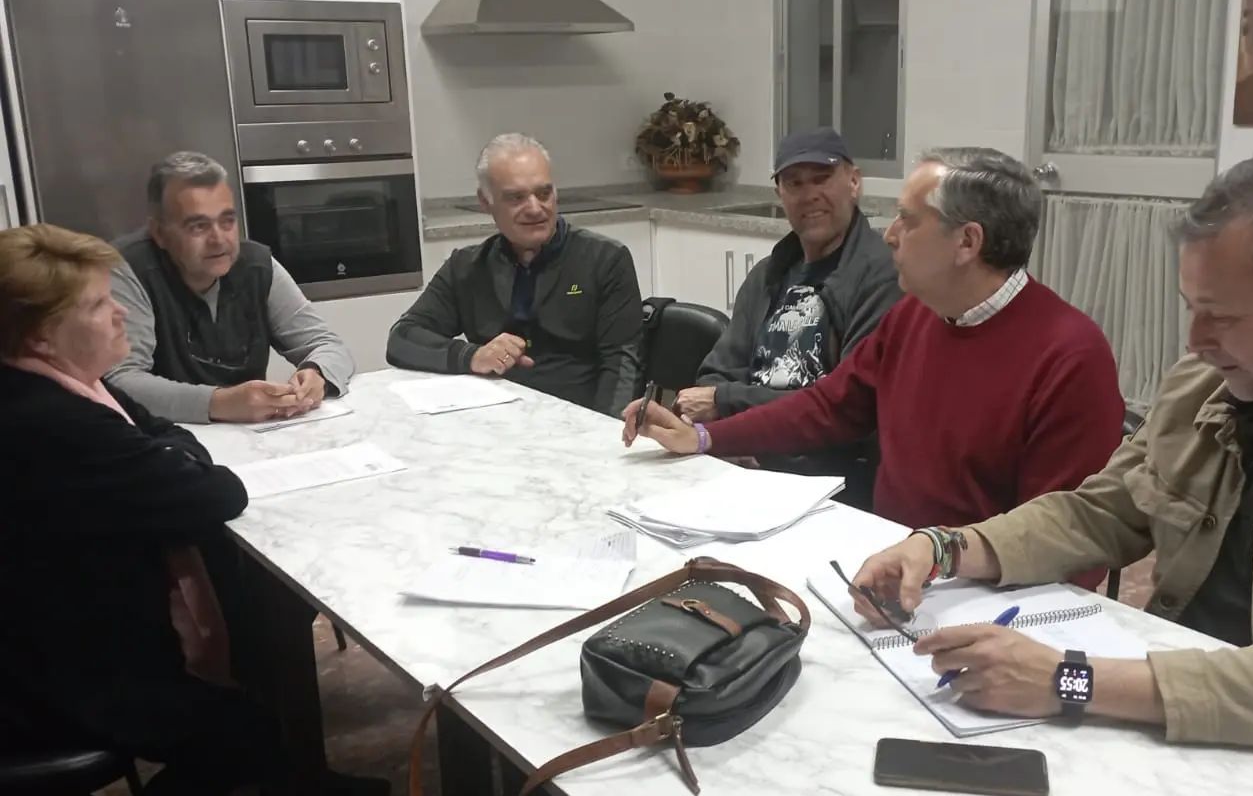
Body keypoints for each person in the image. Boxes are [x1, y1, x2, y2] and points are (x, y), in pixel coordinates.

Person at [850, 155, 1253, 751]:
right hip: (1175, 724)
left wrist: (1067, 679)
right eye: (1192, 308)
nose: (1195, 342)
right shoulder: (1211, 385)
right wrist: (944, 547)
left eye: (1222, 317)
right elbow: (1099, 512)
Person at [0, 223, 389, 796]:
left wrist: (171, 452)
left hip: (59, 632)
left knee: (256, 633)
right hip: (52, 677)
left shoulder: (69, 387)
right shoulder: (51, 421)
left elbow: (165, 436)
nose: (119, 315)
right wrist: (174, 454)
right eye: (98, 306)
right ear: (41, 335)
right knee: (245, 728)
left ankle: (299, 786)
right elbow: (215, 491)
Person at [624, 147, 1124, 587]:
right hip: (887, 557)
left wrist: (946, 569)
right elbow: (830, 406)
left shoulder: (1070, 356)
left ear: (967, 242)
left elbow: (1069, 544)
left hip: (981, 592)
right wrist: (707, 437)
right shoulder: (916, 315)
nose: (890, 236)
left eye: (908, 220)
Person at [676, 127, 901, 503]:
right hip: (744, 462)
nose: (809, 194)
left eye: (821, 178)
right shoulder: (768, 274)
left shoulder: (882, 277)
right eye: (794, 183)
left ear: (854, 182)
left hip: (828, 484)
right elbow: (718, 371)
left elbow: (846, 409)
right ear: (780, 193)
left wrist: (730, 408)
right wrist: (733, 434)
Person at [386, 132, 642, 416]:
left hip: (576, 418)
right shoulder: (467, 267)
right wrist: (471, 356)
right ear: (485, 202)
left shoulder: (605, 260)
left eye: (544, 193)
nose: (535, 208)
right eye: (516, 197)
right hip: (493, 419)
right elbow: (402, 339)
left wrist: (607, 431)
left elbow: (622, 366)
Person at [107, 151, 356, 424]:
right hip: (161, 437)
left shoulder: (257, 265)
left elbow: (327, 344)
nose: (219, 239)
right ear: (159, 233)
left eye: (227, 221)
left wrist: (316, 373)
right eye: (198, 226)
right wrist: (219, 403)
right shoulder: (127, 269)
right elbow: (120, 381)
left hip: (250, 438)